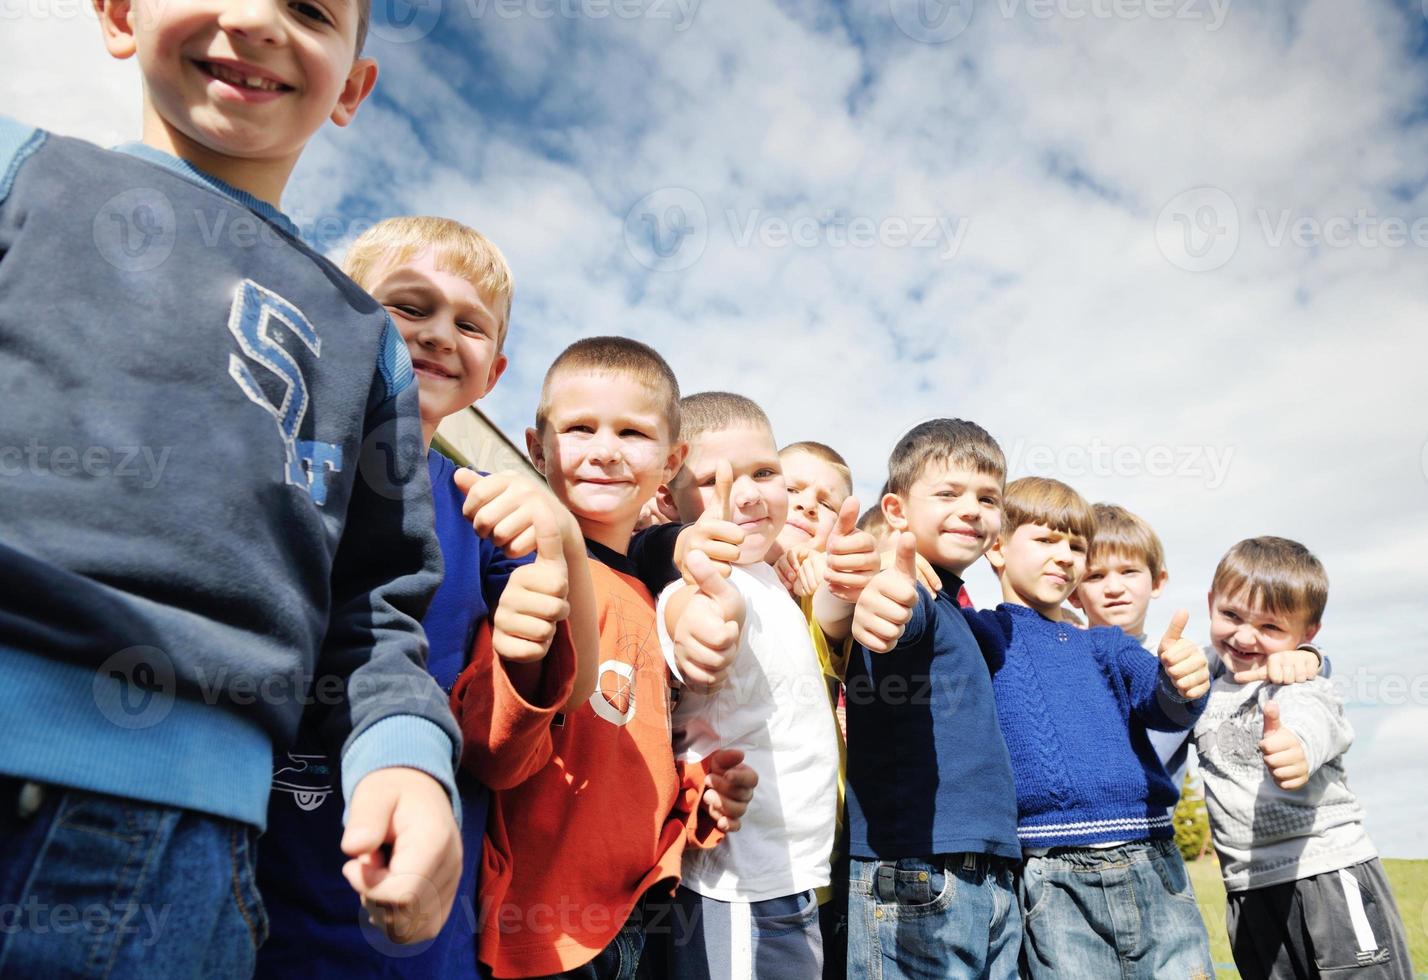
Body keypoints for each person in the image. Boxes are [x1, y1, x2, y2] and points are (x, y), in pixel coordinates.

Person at [0, 3, 464, 973]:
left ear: (351, 88)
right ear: (122, 15)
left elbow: (375, 610)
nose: (256, 19)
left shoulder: (362, 337)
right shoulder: (23, 168)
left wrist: (409, 759)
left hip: (179, 860)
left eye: (308, 9)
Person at [256, 216, 597, 977]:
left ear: (495, 372)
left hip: (421, 915)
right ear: (346, 311)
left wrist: (562, 545)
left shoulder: (487, 508)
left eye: (469, 324)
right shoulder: (277, 459)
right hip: (255, 878)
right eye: (411, 309)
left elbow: (568, 695)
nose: (441, 335)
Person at [452, 338, 757, 978]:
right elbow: (492, 751)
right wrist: (523, 661)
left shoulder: (655, 598)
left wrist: (698, 797)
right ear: (537, 448)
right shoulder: (529, 571)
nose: (605, 449)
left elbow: (629, 743)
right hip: (542, 932)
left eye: (633, 432)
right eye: (580, 428)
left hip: (634, 916)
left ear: (671, 460)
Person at [972, 477, 1215, 979]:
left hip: (1151, 858)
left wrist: (1182, 682)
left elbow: (1161, 704)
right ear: (996, 548)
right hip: (1051, 872)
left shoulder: (1104, 644)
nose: (1065, 556)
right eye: (1045, 540)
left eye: (1076, 547)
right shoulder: (980, 634)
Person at [653, 394, 846, 978]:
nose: (748, 493)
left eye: (764, 472)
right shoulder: (698, 581)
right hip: (733, 883)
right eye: (714, 479)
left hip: (792, 878)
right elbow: (690, 614)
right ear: (667, 498)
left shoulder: (776, 581)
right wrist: (705, 631)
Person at [844, 418, 1023, 980]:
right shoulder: (911, 591)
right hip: (917, 867)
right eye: (948, 493)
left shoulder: (959, 611)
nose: (971, 508)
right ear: (896, 511)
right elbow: (898, 612)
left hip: (988, 868)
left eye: (987, 498)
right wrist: (887, 598)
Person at [1195, 537, 1413, 980]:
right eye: (1231, 615)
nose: (1243, 636)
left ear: (1307, 633)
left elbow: (1314, 718)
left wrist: (1296, 746)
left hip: (1326, 870)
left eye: (1270, 628)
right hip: (1247, 886)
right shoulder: (1202, 677)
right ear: (1211, 602)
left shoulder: (1300, 683)